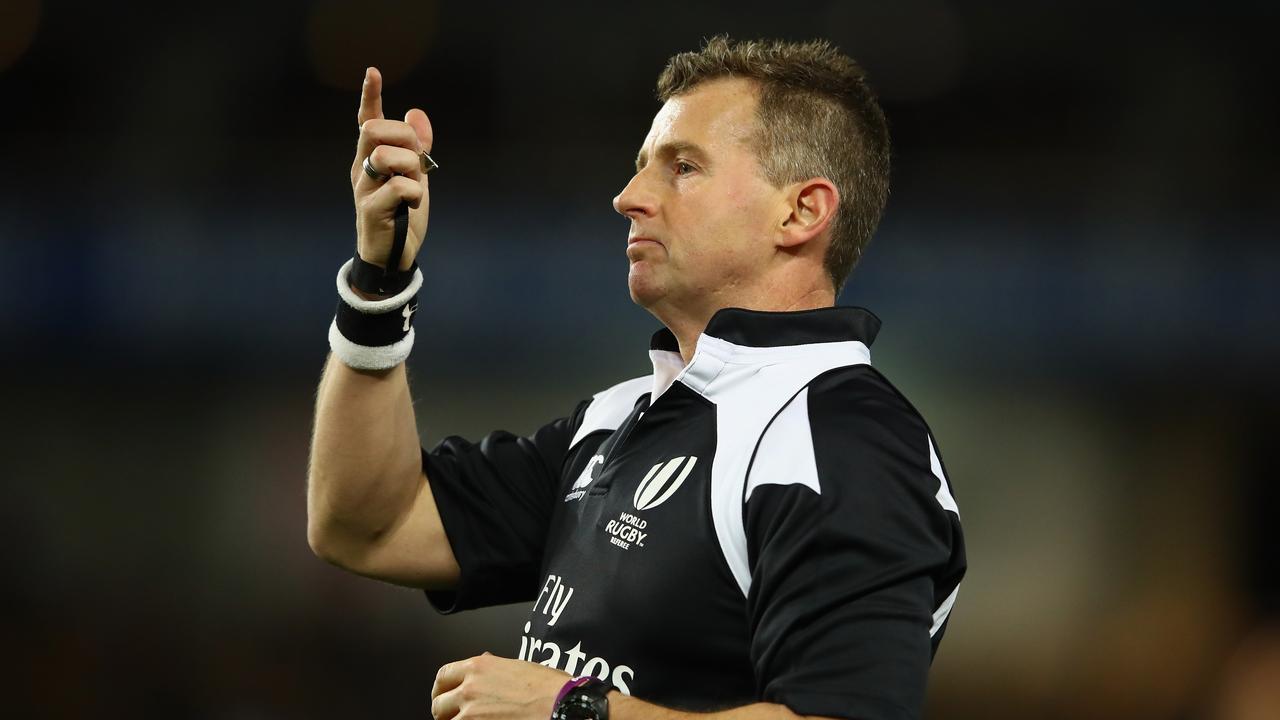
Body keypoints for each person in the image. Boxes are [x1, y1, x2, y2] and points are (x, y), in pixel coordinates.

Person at [308, 35, 966, 720]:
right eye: (640, 166)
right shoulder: (619, 420)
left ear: (801, 212)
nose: (627, 198)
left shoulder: (840, 441)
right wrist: (379, 286)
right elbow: (366, 526)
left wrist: (575, 709)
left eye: (682, 167)